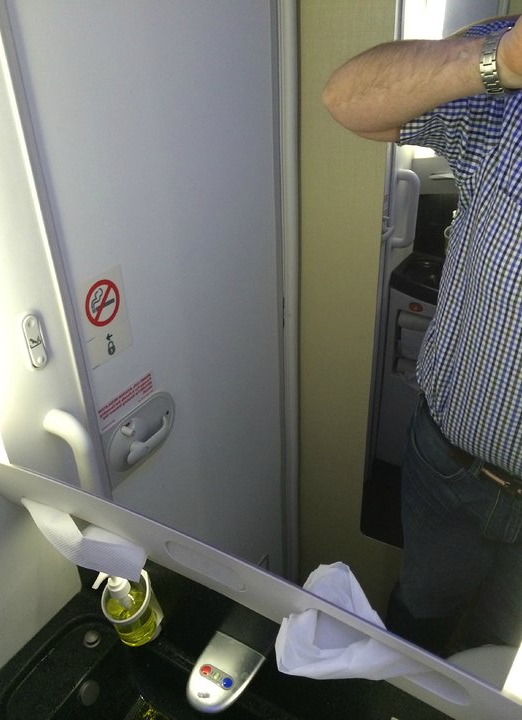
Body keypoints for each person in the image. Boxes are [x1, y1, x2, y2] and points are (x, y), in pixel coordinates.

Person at [323, 15, 522, 657]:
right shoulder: (509, 89)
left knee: (501, 653)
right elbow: (347, 99)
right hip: (449, 469)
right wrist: (502, 60)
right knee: (418, 623)